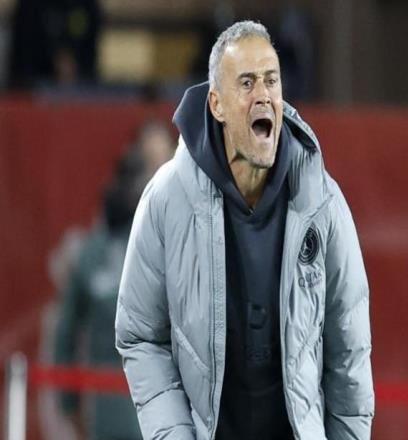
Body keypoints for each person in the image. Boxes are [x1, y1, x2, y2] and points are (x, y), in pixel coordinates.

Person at [115, 21, 374, 440]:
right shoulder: (167, 199)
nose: (263, 95)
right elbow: (140, 335)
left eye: (272, 81)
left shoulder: (322, 202)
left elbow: (350, 347)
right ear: (216, 104)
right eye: (247, 83)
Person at [54, 121, 175, 440]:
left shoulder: (189, 242)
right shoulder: (97, 249)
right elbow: (65, 333)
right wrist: (69, 404)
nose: (155, 173)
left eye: (164, 161)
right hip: (112, 408)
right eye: (148, 162)